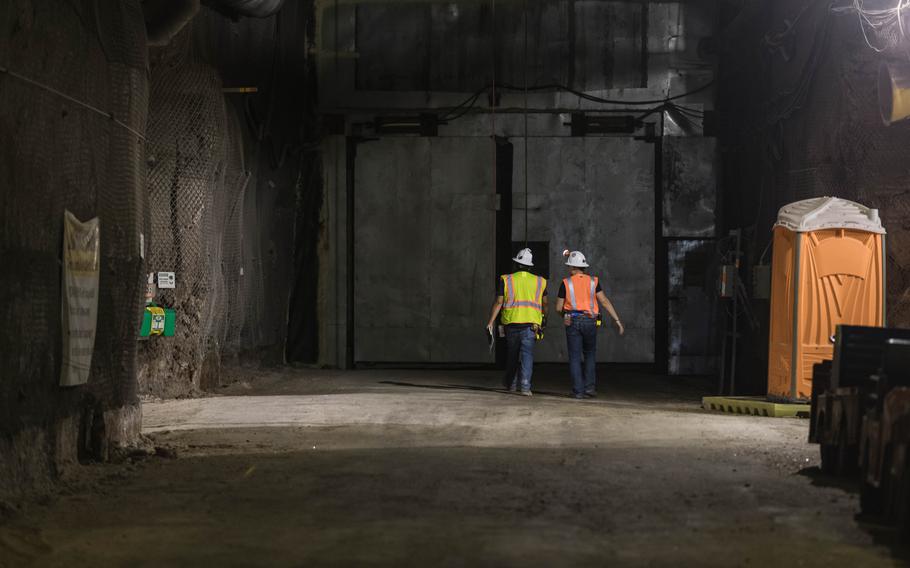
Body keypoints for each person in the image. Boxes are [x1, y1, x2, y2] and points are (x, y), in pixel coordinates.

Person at [555, 249, 624, 399]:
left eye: (569, 266)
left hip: (572, 321)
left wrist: (565, 316)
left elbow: (558, 308)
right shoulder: (593, 282)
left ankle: (578, 391)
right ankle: (589, 389)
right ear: (584, 266)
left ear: (572, 267)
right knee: (590, 355)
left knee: (574, 357)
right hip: (590, 322)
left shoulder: (566, 283)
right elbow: (604, 301)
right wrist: (617, 320)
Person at [485, 248, 547, 396]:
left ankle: (511, 385)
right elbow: (545, 304)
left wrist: (491, 321)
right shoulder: (540, 281)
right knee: (527, 355)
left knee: (512, 355)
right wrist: (544, 319)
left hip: (511, 323)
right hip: (532, 324)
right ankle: (525, 387)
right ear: (530, 265)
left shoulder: (506, 279)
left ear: (517, 264)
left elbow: (499, 302)